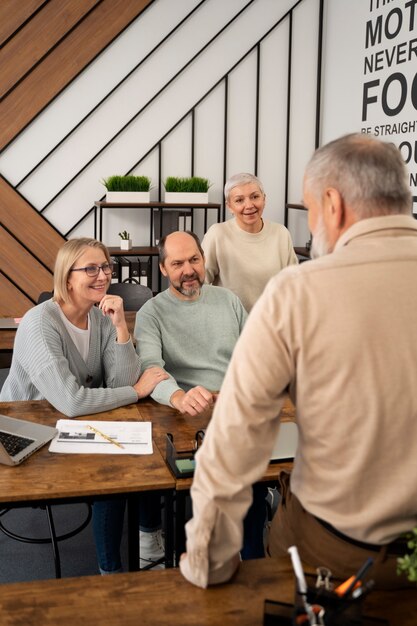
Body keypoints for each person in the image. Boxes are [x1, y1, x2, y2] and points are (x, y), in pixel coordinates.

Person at [180, 133, 417, 590]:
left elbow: (238, 437)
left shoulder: (297, 291)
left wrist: (210, 559)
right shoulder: (245, 256)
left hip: (335, 555)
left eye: (310, 208)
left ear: (333, 204)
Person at [0, 237, 168, 574]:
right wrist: (137, 391)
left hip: (73, 424)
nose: (102, 275)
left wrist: (121, 327)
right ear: (67, 277)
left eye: (105, 266)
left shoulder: (101, 317)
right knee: (113, 467)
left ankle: (148, 541)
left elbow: (119, 384)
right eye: (90, 268)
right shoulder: (39, 323)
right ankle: (111, 572)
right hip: (28, 434)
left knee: (145, 448)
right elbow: (74, 400)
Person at [134, 231, 269, 561]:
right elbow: (151, 370)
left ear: (203, 260)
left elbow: (253, 355)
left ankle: (253, 557)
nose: (188, 270)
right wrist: (178, 396)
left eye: (194, 259)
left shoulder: (228, 300)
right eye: (177, 263)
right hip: (178, 412)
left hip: (231, 407)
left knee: (253, 474)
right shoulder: (150, 313)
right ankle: (168, 544)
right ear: (163, 269)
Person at [201, 172, 298, 312]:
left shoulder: (281, 233)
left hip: (272, 323)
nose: (249, 205)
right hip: (230, 323)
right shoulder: (217, 234)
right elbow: (200, 283)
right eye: (239, 200)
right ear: (229, 206)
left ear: (264, 199)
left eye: (255, 197)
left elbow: (293, 284)